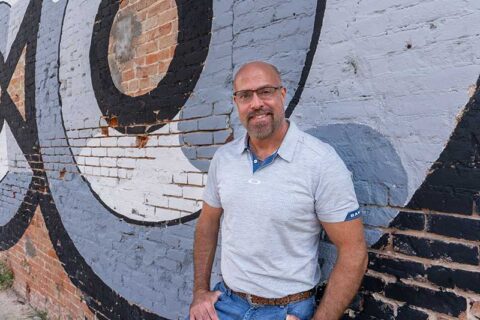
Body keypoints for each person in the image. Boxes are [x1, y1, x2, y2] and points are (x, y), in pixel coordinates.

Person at [188, 61, 368, 320]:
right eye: (245, 95)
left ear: (282, 94)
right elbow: (207, 225)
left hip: (286, 311)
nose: (256, 103)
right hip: (225, 304)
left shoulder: (320, 161)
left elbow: (354, 251)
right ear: (236, 102)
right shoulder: (224, 159)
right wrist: (200, 291)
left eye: (265, 91)